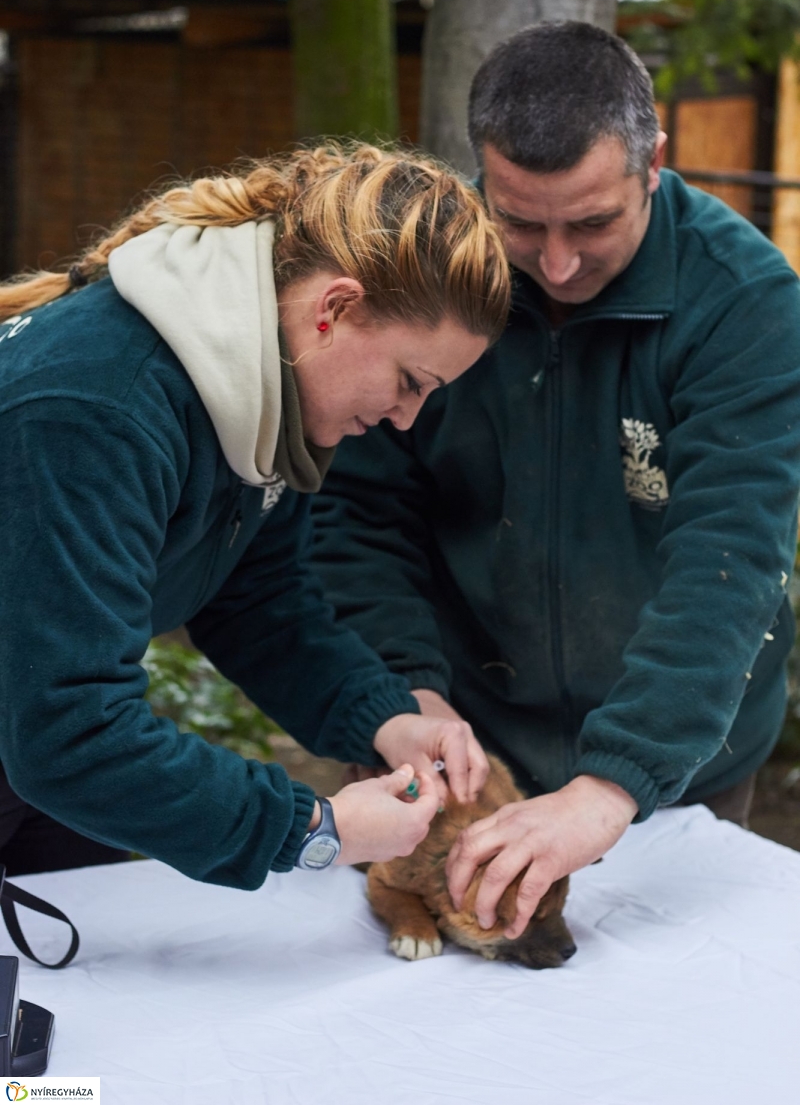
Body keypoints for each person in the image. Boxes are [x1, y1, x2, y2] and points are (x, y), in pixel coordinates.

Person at [313, 23, 800, 939]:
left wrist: (615, 783)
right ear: (481, 173)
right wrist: (404, 688)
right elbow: (360, 511)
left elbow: (728, 563)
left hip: (680, 760)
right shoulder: (421, 276)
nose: (559, 263)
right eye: (522, 224)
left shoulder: (748, 306)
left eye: (592, 223)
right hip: (460, 736)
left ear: (656, 160)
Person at [0, 142, 511, 887]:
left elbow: (257, 600)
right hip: (43, 739)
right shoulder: (97, 411)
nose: (408, 418)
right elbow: (69, 734)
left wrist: (385, 717)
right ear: (334, 308)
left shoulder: (264, 397)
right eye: (409, 380)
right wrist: (313, 828)